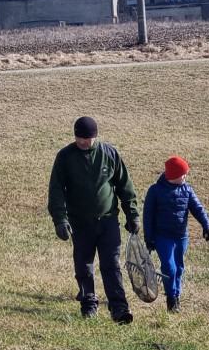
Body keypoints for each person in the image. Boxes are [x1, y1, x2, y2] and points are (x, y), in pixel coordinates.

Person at [48, 116, 140, 324]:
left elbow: (125, 187)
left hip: (108, 221)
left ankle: (119, 308)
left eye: (86, 138)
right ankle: (88, 304)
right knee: (84, 265)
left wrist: (132, 215)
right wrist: (60, 220)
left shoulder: (110, 154)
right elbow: (56, 191)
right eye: (79, 137)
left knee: (111, 266)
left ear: (95, 137)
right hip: (80, 223)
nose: (82, 142)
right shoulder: (65, 157)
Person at [142, 155, 209, 313]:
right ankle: (171, 300)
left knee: (179, 268)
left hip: (181, 237)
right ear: (173, 175)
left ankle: (176, 296)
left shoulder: (187, 189)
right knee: (169, 267)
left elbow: (198, 209)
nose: (185, 177)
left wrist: (206, 225)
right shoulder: (155, 191)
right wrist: (149, 237)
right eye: (183, 174)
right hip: (163, 237)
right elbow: (148, 215)